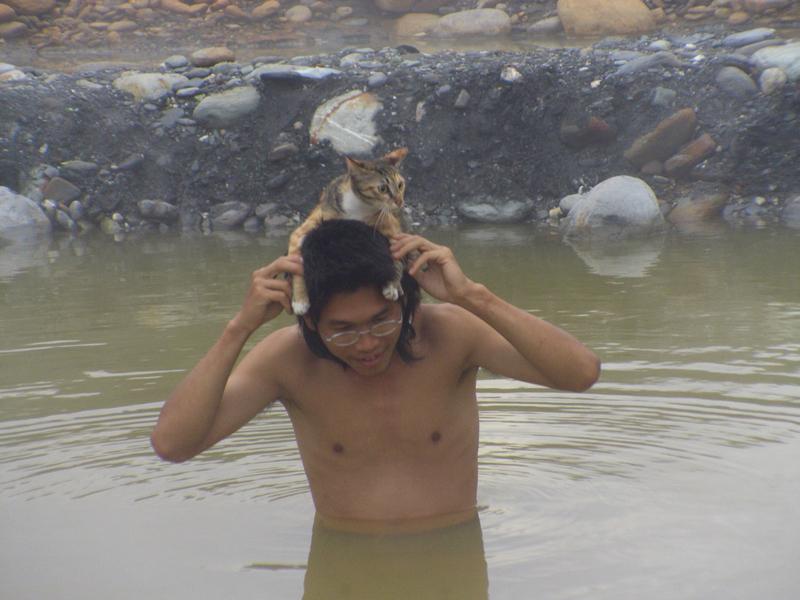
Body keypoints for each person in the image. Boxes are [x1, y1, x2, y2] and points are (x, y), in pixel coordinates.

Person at [151, 219, 600, 527]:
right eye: (342, 330)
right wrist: (239, 328)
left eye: (381, 321)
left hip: (449, 565)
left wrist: (471, 296)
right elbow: (173, 445)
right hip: (347, 575)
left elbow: (580, 373)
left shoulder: (452, 335)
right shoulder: (286, 361)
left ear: (403, 301)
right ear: (310, 321)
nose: (366, 344)